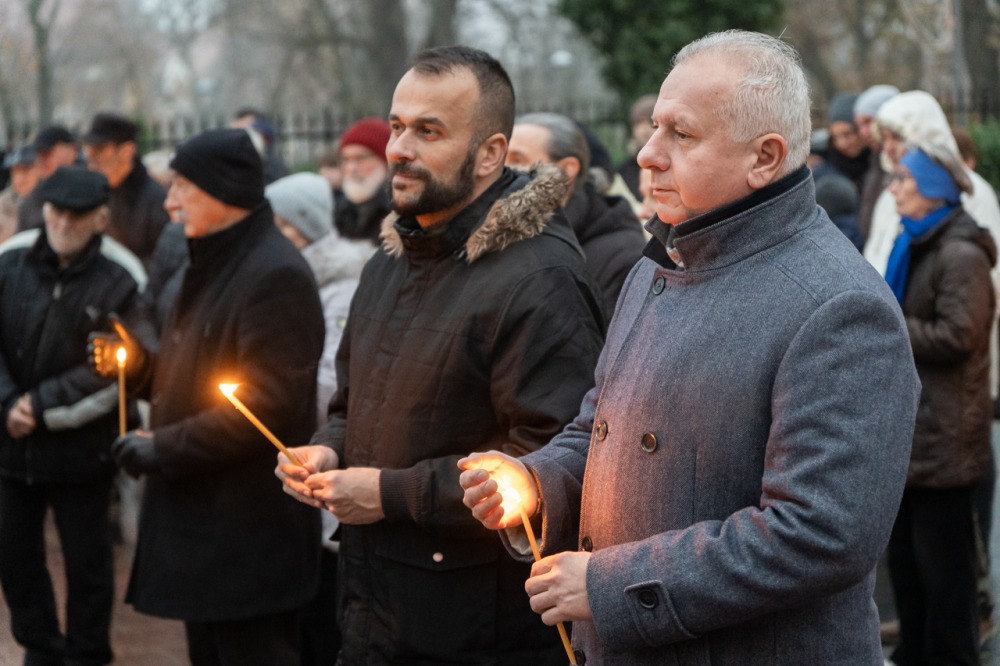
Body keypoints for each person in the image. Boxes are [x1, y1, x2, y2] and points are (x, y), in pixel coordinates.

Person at [459, 30, 920, 665]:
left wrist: (612, 585)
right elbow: (600, 429)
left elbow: (820, 535)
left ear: (764, 158)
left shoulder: (840, 307)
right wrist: (536, 482)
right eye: (655, 127)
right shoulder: (658, 263)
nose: (647, 154)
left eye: (682, 134)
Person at [275, 45, 605, 665]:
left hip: (480, 632)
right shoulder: (390, 262)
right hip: (374, 616)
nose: (398, 149)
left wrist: (389, 494)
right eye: (397, 126)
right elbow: (351, 405)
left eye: (428, 132)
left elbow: (552, 462)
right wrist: (328, 448)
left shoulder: (540, 279)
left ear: (490, 154)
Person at [89, 128, 325, 666]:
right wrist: (137, 370)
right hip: (206, 529)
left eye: (182, 187)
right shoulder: (208, 259)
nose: (169, 202)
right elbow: (195, 375)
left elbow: (266, 406)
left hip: (248, 535)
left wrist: (162, 446)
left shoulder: (275, 275)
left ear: (223, 191)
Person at [0, 166, 143, 666]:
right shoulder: (10, 260)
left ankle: (87, 653)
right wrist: (8, 403)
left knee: (88, 564)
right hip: (11, 445)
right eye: (56, 211)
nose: (63, 223)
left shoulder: (122, 276)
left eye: (76, 215)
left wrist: (40, 406)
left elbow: (123, 366)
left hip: (82, 449)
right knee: (14, 556)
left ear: (100, 218)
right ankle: (40, 648)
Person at [883, 145, 996, 665]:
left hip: (945, 439)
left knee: (945, 577)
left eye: (903, 179)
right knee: (908, 569)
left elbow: (960, 335)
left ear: (933, 188)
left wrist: (888, 323)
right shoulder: (916, 241)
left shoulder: (960, 254)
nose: (893, 189)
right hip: (915, 433)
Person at [265, 171, 374, 665]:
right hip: (309, 459)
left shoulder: (339, 284)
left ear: (300, 226)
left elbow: (334, 380)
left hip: (331, 464)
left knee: (329, 615)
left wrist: (278, 392)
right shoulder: (294, 274)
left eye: (279, 225)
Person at [508, 112, 645, 316]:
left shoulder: (621, 257)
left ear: (566, 169)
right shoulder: (506, 236)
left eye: (518, 160)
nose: (503, 172)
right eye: (501, 160)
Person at [81, 111, 169, 265]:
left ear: (126, 151)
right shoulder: (92, 193)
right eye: (88, 147)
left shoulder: (155, 201)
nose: (90, 155)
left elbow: (163, 262)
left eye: (99, 148)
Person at [333, 117, 392, 243]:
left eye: (360, 158)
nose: (351, 168)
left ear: (386, 162)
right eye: (346, 159)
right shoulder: (339, 210)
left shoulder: (399, 212)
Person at [853, 84, 899, 240]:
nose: (863, 132)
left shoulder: (903, 166)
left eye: (868, 122)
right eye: (859, 125)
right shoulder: (875, 163)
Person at [18, 125, 81, 233]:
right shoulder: (33, 198)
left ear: (71, 150)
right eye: (38, 154)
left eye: (47, 153)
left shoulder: (91, 188)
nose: (41, 160)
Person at [616, 94, 657, 199]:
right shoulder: (621, 172)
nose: (644, 129)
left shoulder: (676, 166)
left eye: (651, 122)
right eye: (638, 122)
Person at [0, 145, 39, 243]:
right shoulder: (3, 202)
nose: (19, 178)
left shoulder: (49, 202)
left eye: (26, 170)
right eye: (15, 171)